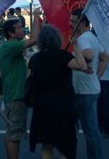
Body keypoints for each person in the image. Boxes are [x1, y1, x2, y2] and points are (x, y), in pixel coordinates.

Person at [28, 24, 87, 159]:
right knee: (64, 145)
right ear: (57, 39)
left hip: (42, 105)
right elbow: (82, 66)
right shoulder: (63, 56)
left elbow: (30, 80)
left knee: (47, 145)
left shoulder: (35, 59)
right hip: (63, 104)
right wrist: (76, 46)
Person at [0, 11, 42, 159]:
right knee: (14, 136)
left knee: (11, 132)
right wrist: (36, 18)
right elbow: (35, 39)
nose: (22, 29)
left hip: (12, 95)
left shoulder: (11, 47)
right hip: (16, 97)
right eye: (18, 28)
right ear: (10, 33)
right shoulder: (11, 46)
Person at [69, 8, 108, 159]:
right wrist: (97, 76)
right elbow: (104, 57)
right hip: (89, 89)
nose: (71, 23)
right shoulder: (91, 36)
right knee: (89, 129)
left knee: (90, 130)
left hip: (83, 92)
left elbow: (90, 56)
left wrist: (75, 48)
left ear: (82, 22)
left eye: (73, 21)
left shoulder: (83, 39)